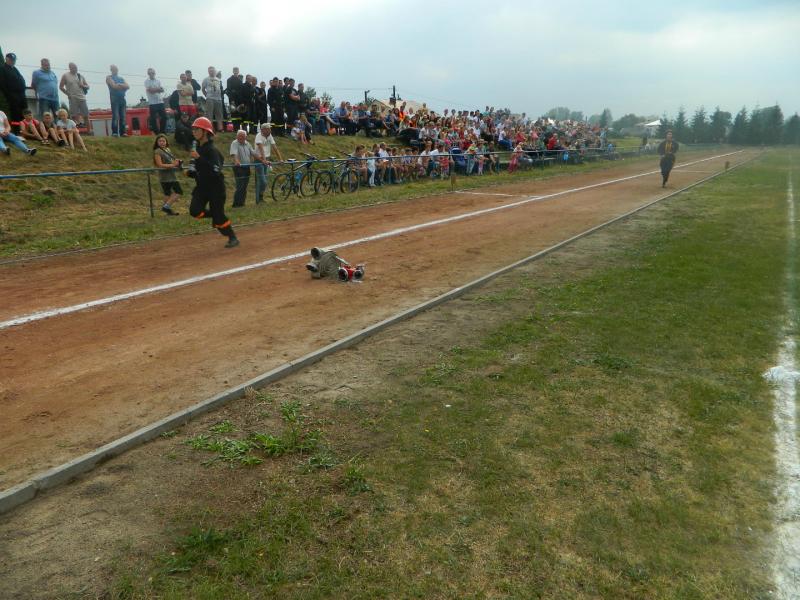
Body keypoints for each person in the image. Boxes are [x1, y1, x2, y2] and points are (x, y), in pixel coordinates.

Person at [188, 117, 239, 248]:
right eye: (193, 129)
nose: (194, 131)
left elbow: (215, 169)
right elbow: (197, 170)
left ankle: (232, 237)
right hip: (202, 187)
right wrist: (188, 171)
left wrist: (199, 158)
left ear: (205, 131)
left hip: (216, 188)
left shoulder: (212, 150)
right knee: (195, 211)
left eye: (197, 129)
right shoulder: (197, 149)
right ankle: (215, 214)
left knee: (219, 219)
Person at [153, 134, 183, 216]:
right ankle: (166, 207)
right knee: (179, 191)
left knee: (167, 193)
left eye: (163, 141)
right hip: (165, 176)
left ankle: (168, 211)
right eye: (160, 141)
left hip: (171, 174)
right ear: (157, 142)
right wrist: (173, 165)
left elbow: (171, 160)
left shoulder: (167, 149)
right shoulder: (157, 151)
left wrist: (177, 162)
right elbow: (159, 164)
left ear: (166, 142)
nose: (162, 142)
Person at [254, 124, 283, 204]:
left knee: (265, 180)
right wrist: (264, 160)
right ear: (263, 130)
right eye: (268, 129)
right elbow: (261, 148)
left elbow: (275, 147)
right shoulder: (258, 136)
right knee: (263, 181)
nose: (270, 130)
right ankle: (259, 198)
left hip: (266, 159)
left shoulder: (270, 136)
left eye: (270, 129)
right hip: (259, 160)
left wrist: (280, 159)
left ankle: (260, 198)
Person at [229, 129, 258, 207]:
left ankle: (242, 203)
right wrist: (237, 161)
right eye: (239, 136)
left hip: (246, 167)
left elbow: (253, 153)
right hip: (238, 167)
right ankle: (236, 204)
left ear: (245, 137)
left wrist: (262, 159)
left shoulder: (248, 144)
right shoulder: (234, 143)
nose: (241, 137)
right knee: (240, 185)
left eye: (243, 136)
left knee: (244, 186)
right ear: (237, 136)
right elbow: (234, 153)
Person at [59, 62, 90, 131]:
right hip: (72, 98)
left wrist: (83, 85)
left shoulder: (80, 76)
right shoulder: (65, 75)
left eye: (76, 68)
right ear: (70, 68)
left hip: (82, 98)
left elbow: (88, 86)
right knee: (73, 116)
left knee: (86, 115)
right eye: (73, 68)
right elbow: (61, 87)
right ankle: (74, 131)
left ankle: (89, 131)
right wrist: (68, 94)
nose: (75, 69)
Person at [1, 53, 28, 129]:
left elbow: (21, 79)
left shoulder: (15, 69)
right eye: (11, 60)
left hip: (21, 95)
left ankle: (24, 129)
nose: (13, 61)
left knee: (24, 112)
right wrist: (9, 95)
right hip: (13, 95)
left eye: (14, 60)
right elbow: (2, 84)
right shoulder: (3, 69)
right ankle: (16, 130)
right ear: (7, 59)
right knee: (15, 114)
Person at [105, 65, 129, 136]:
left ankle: (123, 132)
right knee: (115, 115)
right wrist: (123, 86)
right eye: (113, 69)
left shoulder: (121, 78)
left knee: (123, 116)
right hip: (114, 98)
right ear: (111, 70)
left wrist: (118, 85)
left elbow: (128, 86)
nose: (115, 70)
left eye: (116, 69)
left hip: (122, 98)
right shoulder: (109, 77)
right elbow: (114, 86)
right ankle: (114, 132)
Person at [144, 68, 167, 134]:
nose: (152, 74)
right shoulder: (146, 81)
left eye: (153, 73)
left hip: (160, 101)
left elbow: (162, 90)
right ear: (148, 74)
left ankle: (162, 131)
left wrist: (155, 89)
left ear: (155, 73)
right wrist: (158, 89)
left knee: (164, 117)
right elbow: (151, 91)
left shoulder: (158, 81)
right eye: (150, 73)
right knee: (153, 119)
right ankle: (156, 132)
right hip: (152, 103)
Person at [202, 66, 224, 133]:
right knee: (209, 114)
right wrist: (207, 96)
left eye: (213, 71)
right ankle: (210, 129)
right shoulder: (206, 79)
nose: (212, 72)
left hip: (218, 99)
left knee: (219, 114)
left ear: (215, 71)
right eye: (210, 71)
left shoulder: (218, 79)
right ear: (208, 72)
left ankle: (220, 128)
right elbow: (203, 89)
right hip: (210, 99)